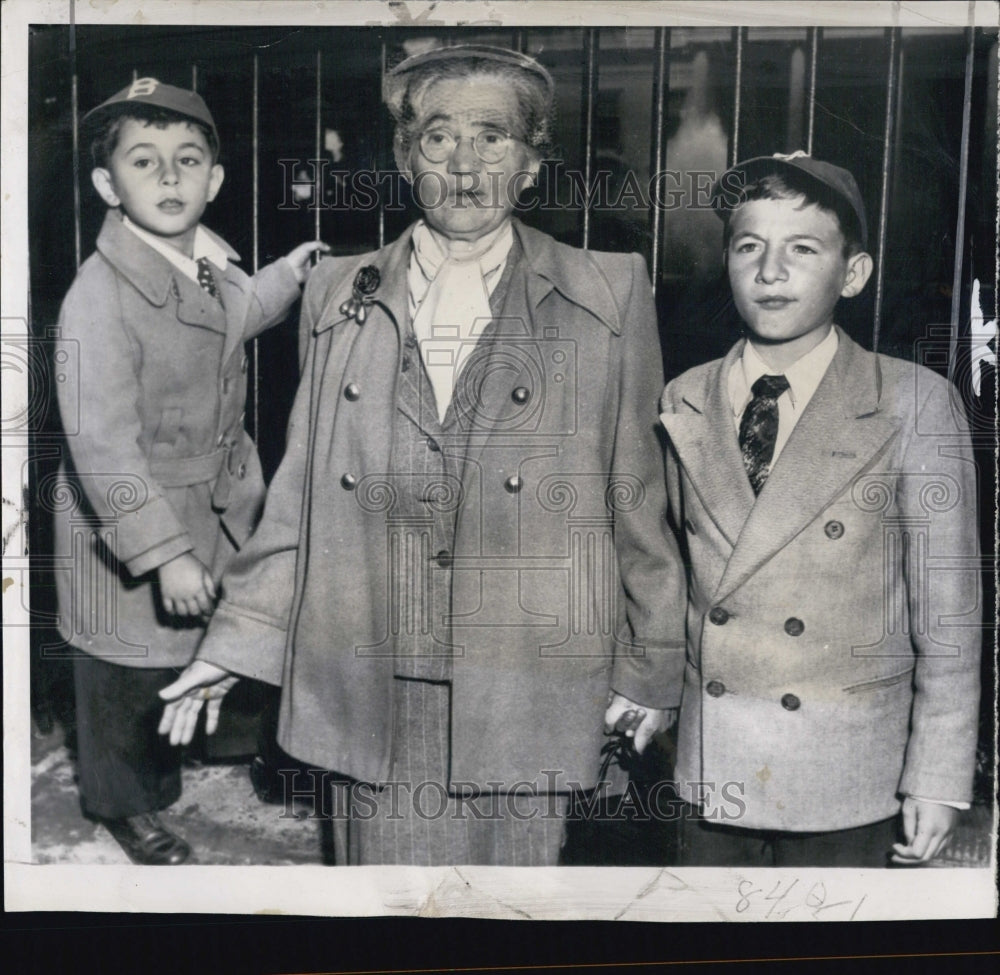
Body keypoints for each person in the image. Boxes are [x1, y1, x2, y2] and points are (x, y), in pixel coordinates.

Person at [159, 45, 687, 866]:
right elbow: (301, 497)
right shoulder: (339, 291)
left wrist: (650, 668)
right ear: (406, 159)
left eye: (494, 137)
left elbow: (637, 501)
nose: (466, 165)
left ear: (533, 162)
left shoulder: (609, 291)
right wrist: (234, 645)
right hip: (369, 678)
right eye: (439, 139)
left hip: (528, 680)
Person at [660, 152, 981, 866]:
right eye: (749, 247)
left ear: (854, 273)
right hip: (713, 765)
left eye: (802, 248)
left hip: (849, 769)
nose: (771, 271)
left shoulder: (912, 401)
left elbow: (948, 615)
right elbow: (666, 578)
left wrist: (937, 775)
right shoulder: (684, 397)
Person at [52, 77, 327, 864]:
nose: (169, 178)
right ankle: (124, 800)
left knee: (224, 629)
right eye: (145, 161)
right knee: (128, 666)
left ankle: (227, 748)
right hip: (132, 512)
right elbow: (101, 442)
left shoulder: (204, 264)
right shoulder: (98, 296)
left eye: (187, 159)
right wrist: (164, 551)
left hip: (216, 497)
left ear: (214, 179)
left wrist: (289, 273)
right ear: (109, 185)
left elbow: (235, 314)